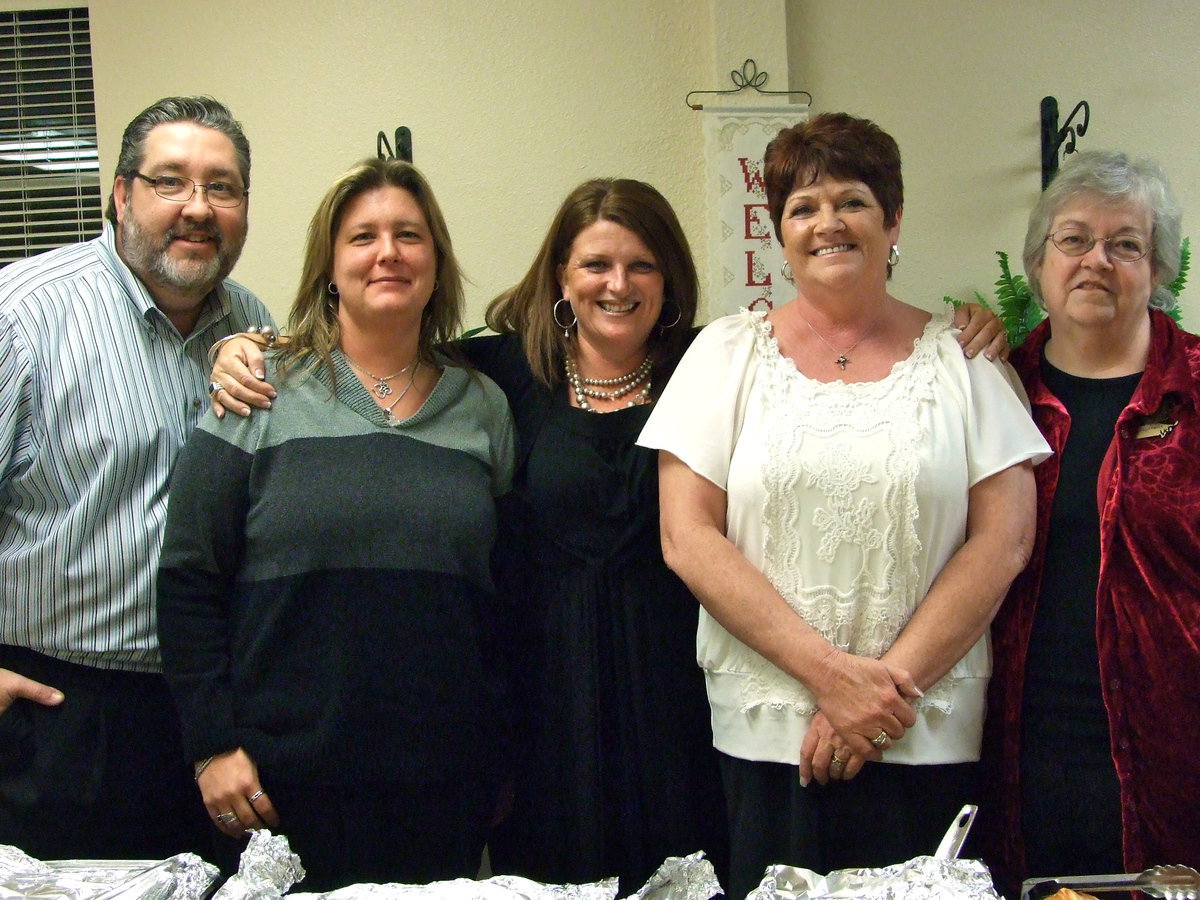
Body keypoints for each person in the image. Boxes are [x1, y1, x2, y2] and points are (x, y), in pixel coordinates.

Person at [207, 178, 1008, 894]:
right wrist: (245, 346)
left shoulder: (719, 364)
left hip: (683, 708)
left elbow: (827, 363)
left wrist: (966, 328)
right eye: (595, 264)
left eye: (641, 266)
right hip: (544, 710)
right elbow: (379, 343)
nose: (617, 285)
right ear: (561, 276)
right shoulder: (499, 376)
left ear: (669, 281)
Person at [639, 112, 1050, 900]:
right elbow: (686, 536)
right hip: (767, 733)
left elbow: (1005, 541)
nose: (828, 222)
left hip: (924, 728)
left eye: (852, 201)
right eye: (803, 207)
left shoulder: (965, 362)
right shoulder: (725, 355)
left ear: (893, 221)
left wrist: (880, 695)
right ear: (780, 233)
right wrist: (831, 679)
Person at [156, 157, 514, 892]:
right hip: (280, 784)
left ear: (436, 262)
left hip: (444, 781)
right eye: (363, 237)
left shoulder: (484, 405)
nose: (388, 253)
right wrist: (211, 745)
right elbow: (189, 576)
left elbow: (509, 594)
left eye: (409, 235)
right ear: (328, 266)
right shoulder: (258, 390)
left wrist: (505, 751)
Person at [0, 95, 269, 860]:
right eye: (170, 181)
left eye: (222, 187)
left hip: (209, 717)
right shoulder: (23, 314)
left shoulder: (249, 323)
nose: (198, 208)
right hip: (59, 717)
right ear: (121, 195)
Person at [979, 150, 1200, 895]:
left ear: (1159, 268)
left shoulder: (1194, 391)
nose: (1096, 261)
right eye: (1074, 239)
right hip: (1015, 749)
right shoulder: (992, 393)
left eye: (1125, 244)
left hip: (1176, 757)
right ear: (1038, 263)